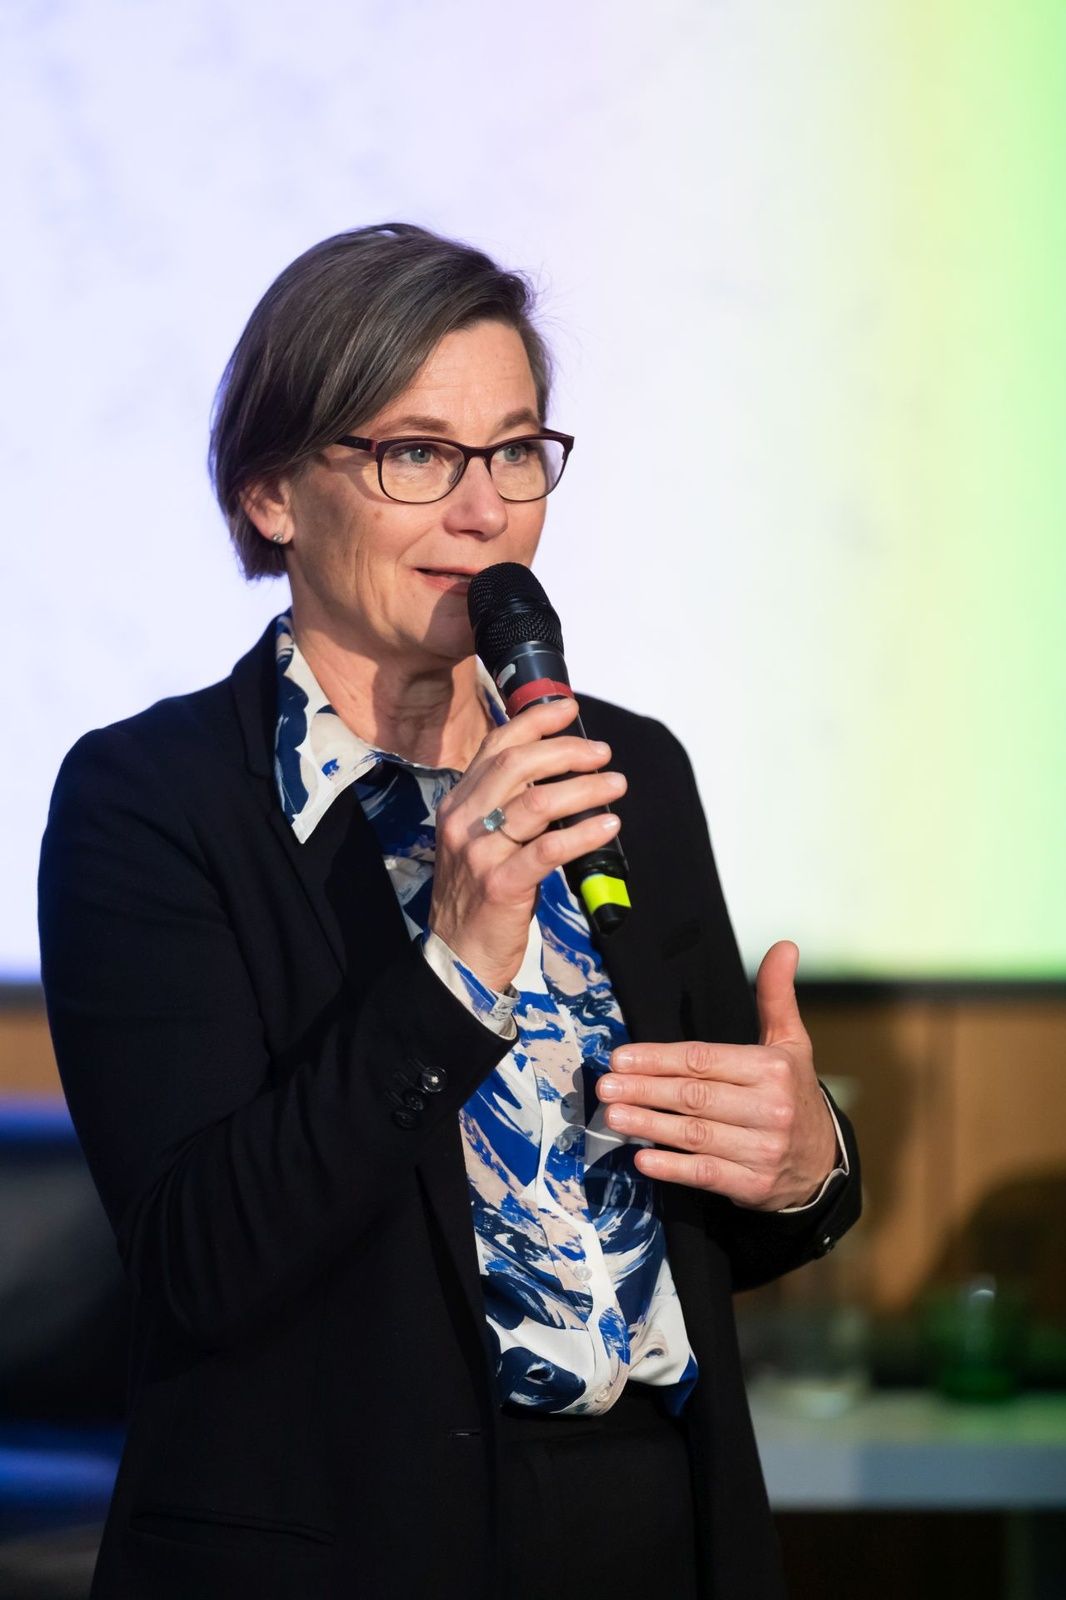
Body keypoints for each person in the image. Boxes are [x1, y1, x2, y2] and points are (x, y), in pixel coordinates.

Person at [38, 222, 860, 1600]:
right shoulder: (153, 802)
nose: (485, 512)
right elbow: (198, 1264)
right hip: (346, 1549)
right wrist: (458, 963)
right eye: (416, 455)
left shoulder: (624, 769)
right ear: (271, 492)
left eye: (516, 451)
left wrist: (808, 1165)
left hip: (657, 1521)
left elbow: (698, 1224)